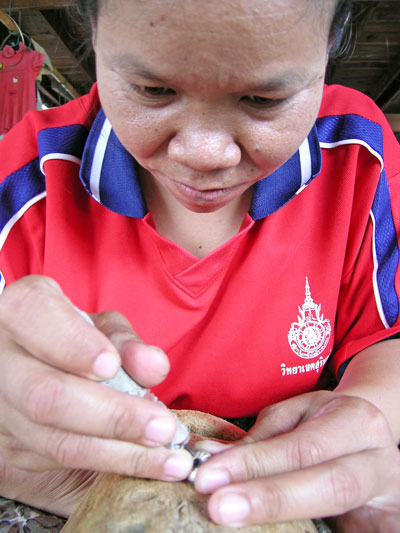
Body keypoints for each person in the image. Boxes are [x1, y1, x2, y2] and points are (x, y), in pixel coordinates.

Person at [1, 0, 400, 530]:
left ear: (328, 51)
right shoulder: (25, 178)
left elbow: (384, 337)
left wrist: (366, 414)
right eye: (153, 91)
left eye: (264, 98)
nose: (204, 153)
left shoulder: (356, 156)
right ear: (93, 36)